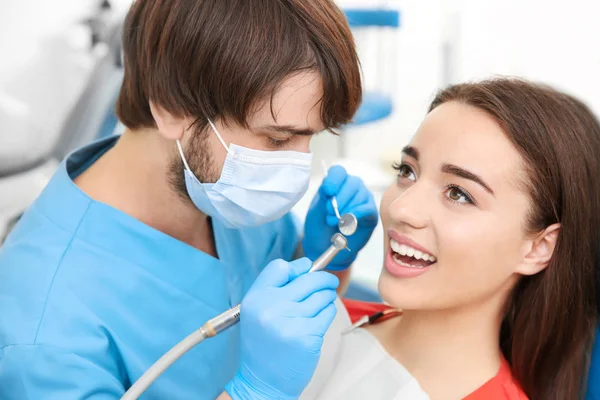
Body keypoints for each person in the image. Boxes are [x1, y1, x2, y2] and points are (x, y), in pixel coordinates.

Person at [0, 1, 379, 399]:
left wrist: (325, 261)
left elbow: (284, 326)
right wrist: (256, 391)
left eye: (311, 136)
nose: (297, 167)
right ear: (171, 108)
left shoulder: (223, 190)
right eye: (278, 139)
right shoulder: (44, 331)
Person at [300, 78, 600, 399]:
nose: (402, 208)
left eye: (458, 193)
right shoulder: (322, 323)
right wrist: (318, 270)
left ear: (538, 248)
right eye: (407, 171)